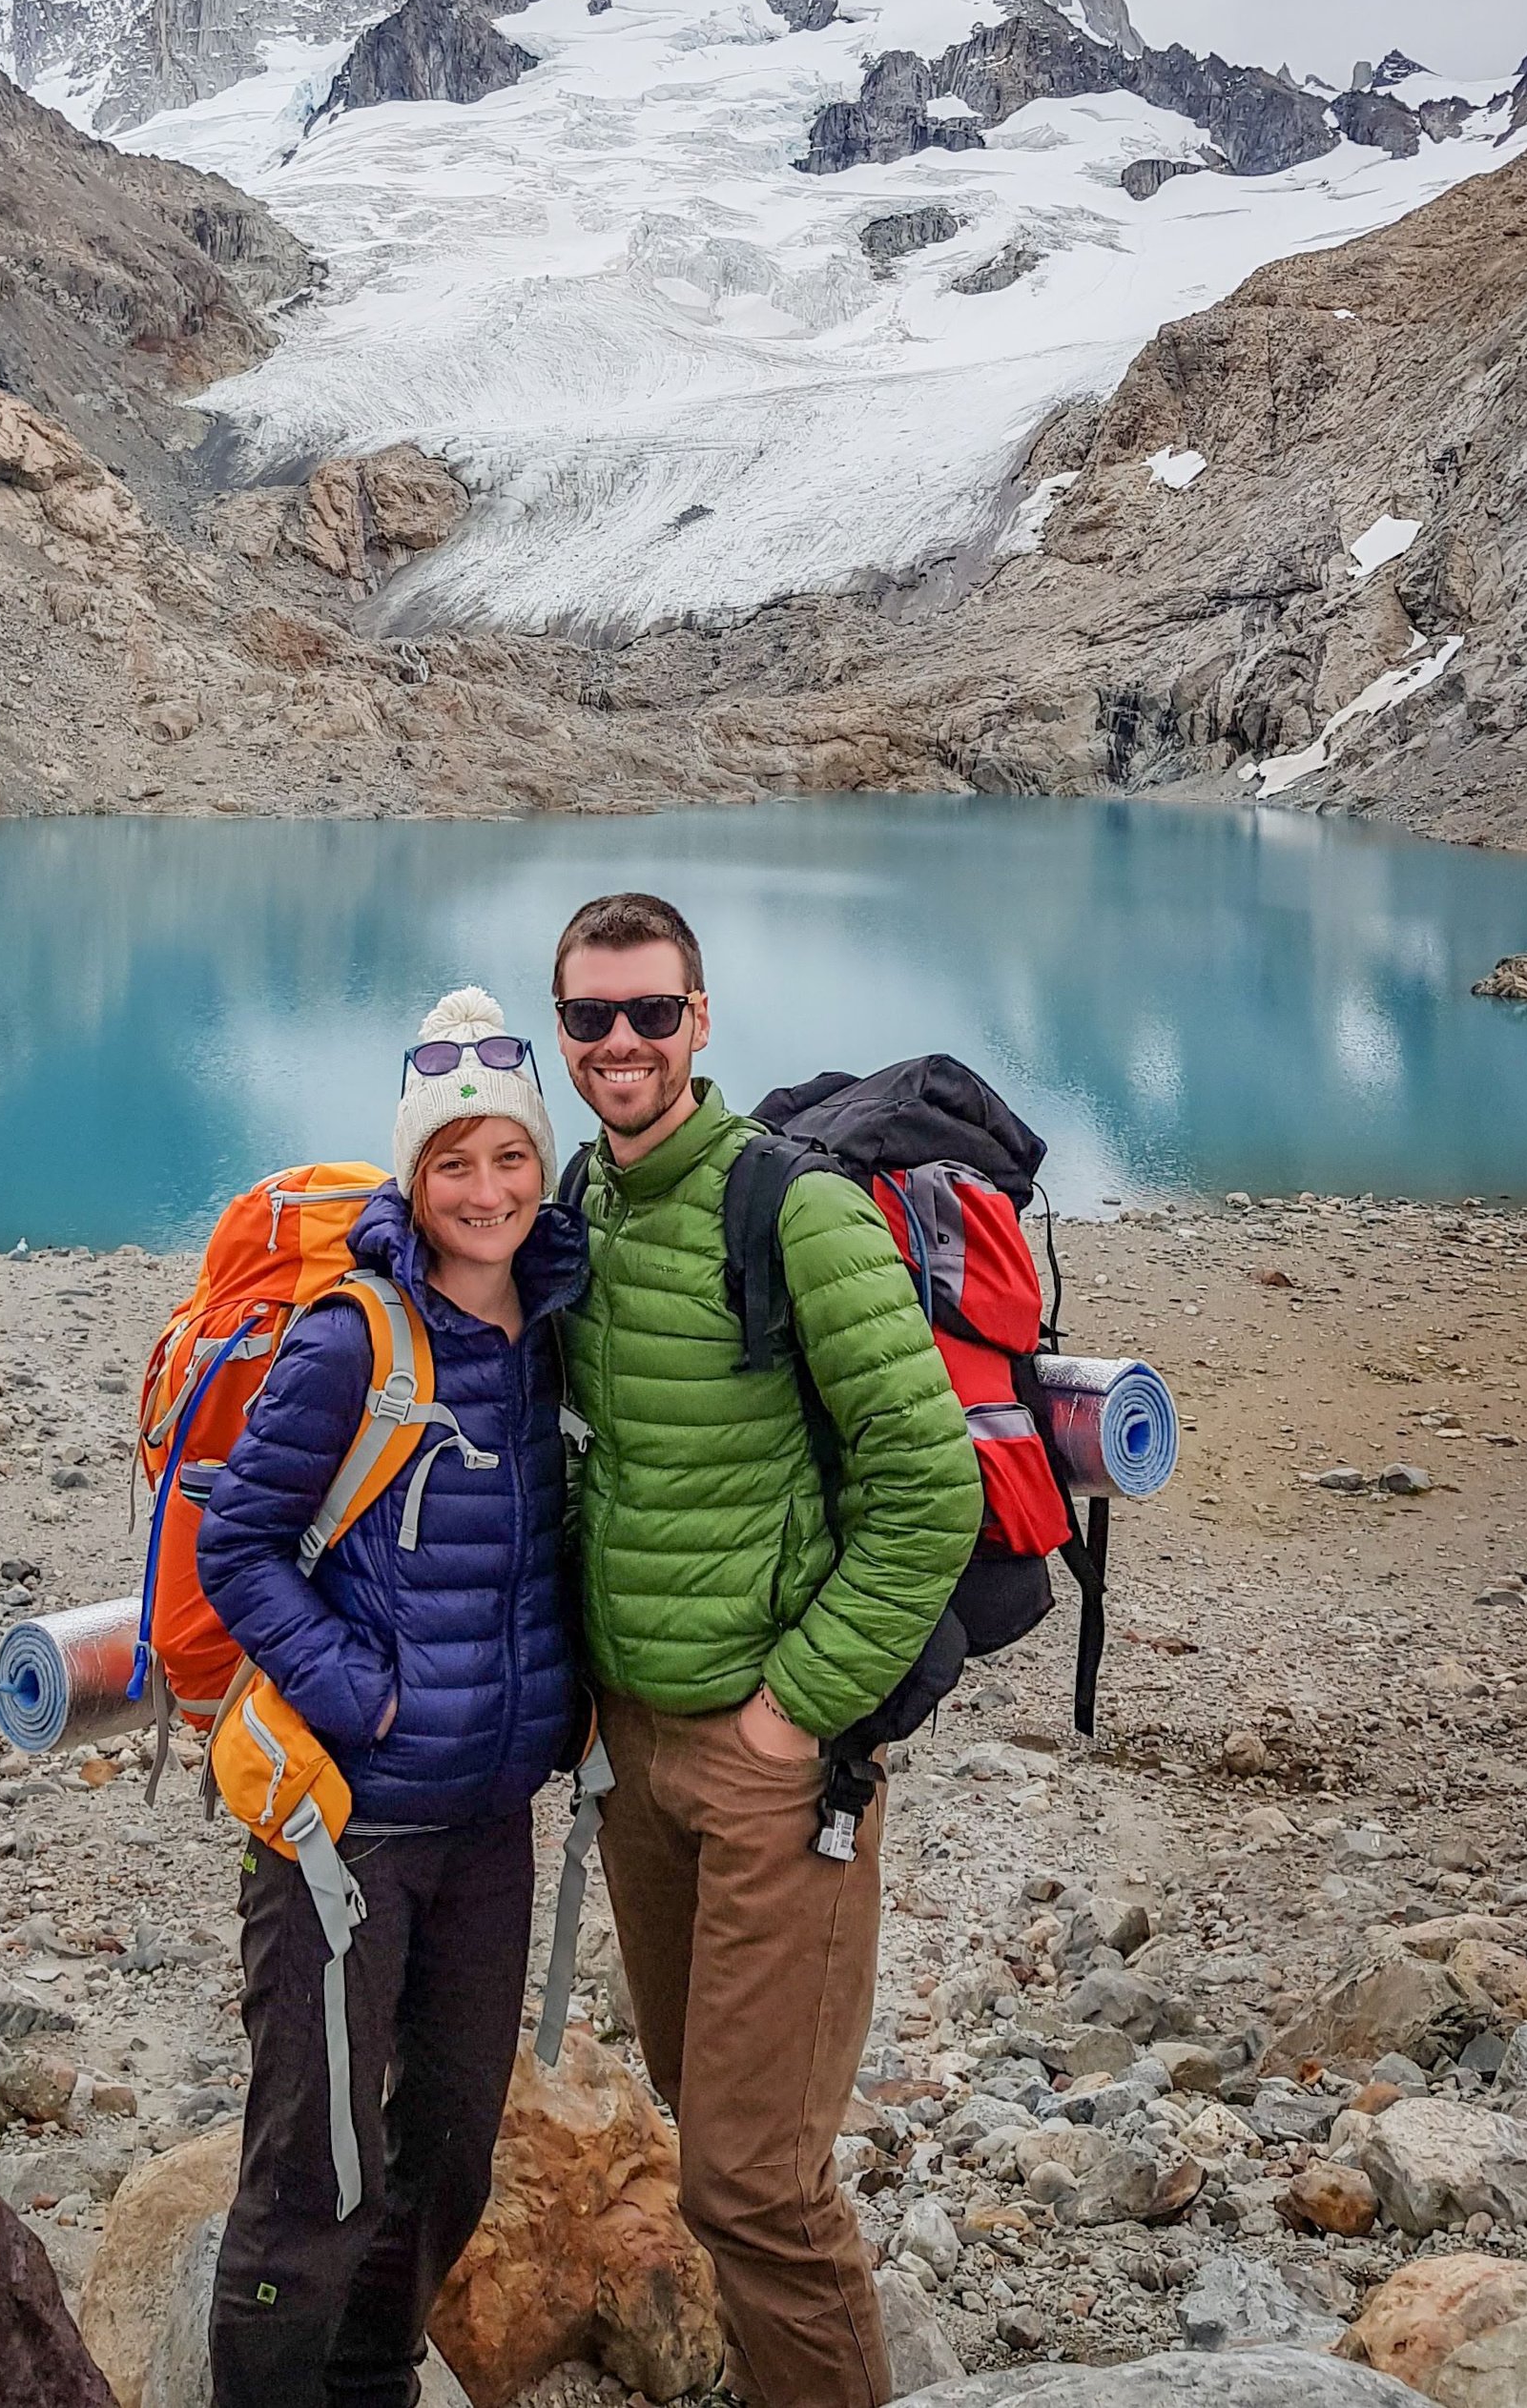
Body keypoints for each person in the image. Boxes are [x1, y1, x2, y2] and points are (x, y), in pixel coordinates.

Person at [551, 891, 982, 2408]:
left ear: (700, 1023)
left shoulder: (791, 1207)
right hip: (632, 1756)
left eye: (650, 1012)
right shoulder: (578, 1202)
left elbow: (937, 1481)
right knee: (697, 2100)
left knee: (754, 2184)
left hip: (769, 1766)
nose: (622, 1042)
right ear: (563, 1032)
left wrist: (796, 1713)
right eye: (592, 1015)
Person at [196, 987, 586, 2408]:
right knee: (316, 2166)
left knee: (450, 2148)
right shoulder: (353, 1335)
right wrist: (357, 1690)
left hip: (487, 1824)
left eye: (508, 1158)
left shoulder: (553, 1327)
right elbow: (235, 1539)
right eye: (452, 1162)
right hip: (340, 1829)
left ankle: (370, 2386)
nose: (485, 1191)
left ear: (541, 1166)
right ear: (413, 1179)